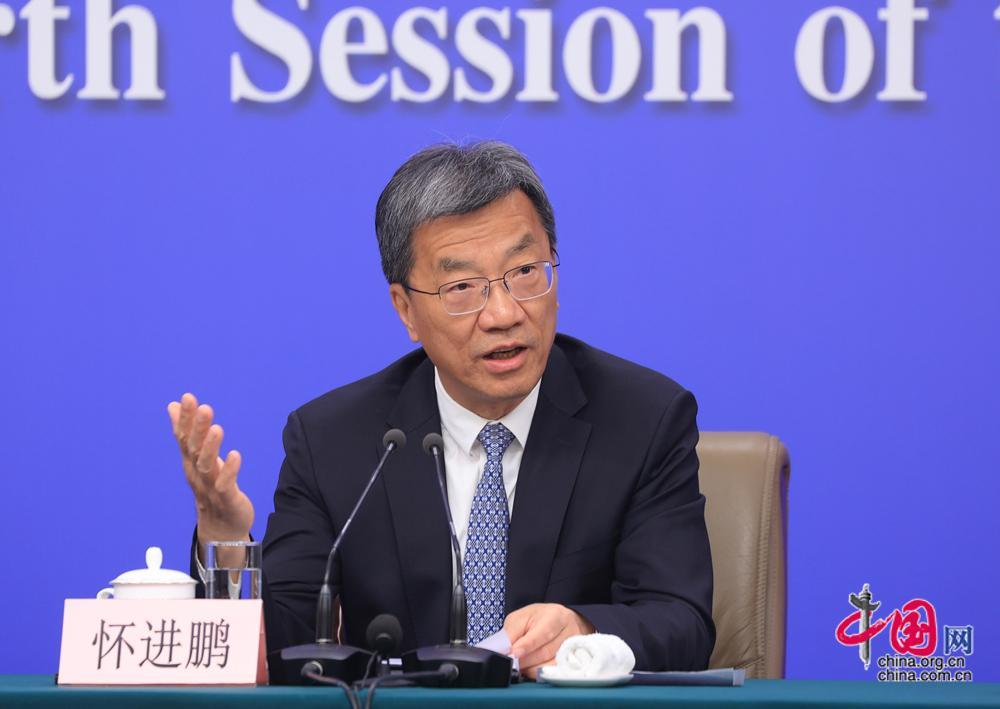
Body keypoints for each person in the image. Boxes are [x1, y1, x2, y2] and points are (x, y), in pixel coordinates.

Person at [167, 141, 714, 678]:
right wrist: (226, 543)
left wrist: (584, 633)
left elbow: (681, 623)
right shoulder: (333, 442)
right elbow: (284, 645)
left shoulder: (643, 420)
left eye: (525, 271)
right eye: (462, 287)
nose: (503, 313)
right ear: (405, 310)